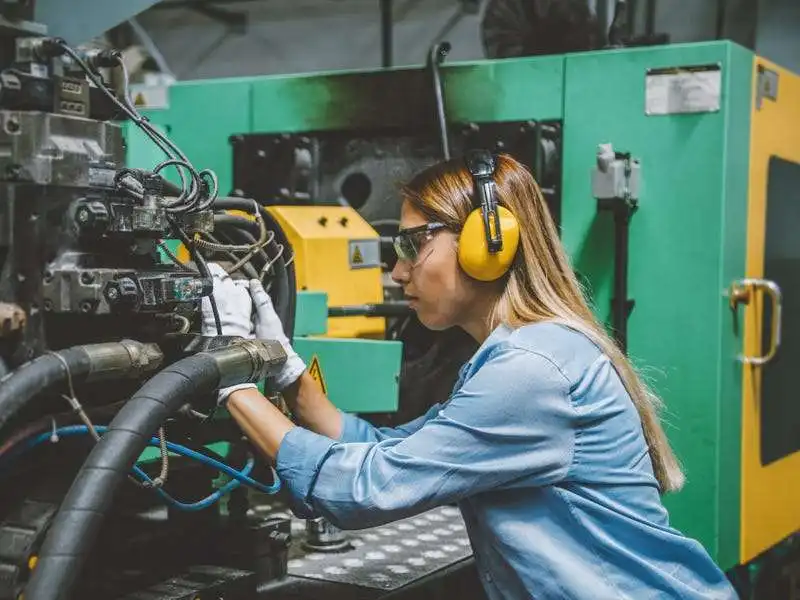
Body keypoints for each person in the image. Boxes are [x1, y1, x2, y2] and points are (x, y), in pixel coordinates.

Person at [201, 151, 738, 599]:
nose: (397, 270)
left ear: (488, 245)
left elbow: (362, 489)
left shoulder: (530, 372)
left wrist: (230, 372)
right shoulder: (519, 354)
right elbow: (384, 449)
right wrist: (285, 366)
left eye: (413, 244)